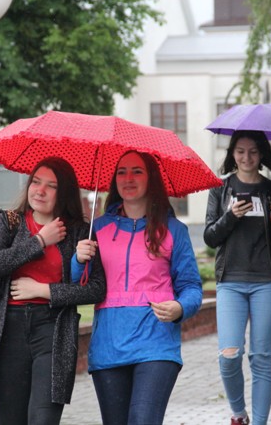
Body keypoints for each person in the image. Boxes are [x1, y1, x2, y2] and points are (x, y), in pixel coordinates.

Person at [71, 151, 203, 425]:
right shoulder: (97, 229)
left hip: (156, 344)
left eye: (137, 171)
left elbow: (191, 287)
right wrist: (78, 260)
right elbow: (78, 285)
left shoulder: (174, 230)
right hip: (109, 346)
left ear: (151, 179)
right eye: (121, 172)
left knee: (143, 419)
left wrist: (180, 307)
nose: (128, 178)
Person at [0, 156, 106, 425]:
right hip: (9, 332)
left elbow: (96, 289)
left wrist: (43, 290)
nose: (40, 190)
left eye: (51, 186)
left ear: (64, 193)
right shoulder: (10, 222)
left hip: (53, 331)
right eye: (36, 182)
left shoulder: (79, 232)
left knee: (43, 418)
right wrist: (39, 241)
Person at [203, 130, 271, 425]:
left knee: (261, 357)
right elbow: (210, 237)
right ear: (232, 154)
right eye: (240, 151)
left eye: (252, 151)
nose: (246, 157)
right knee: (229, 356)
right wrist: (231, 216)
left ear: (261, 154)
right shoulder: (220, 189)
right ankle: (238, 414)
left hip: (267, 282)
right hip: (230, 283)